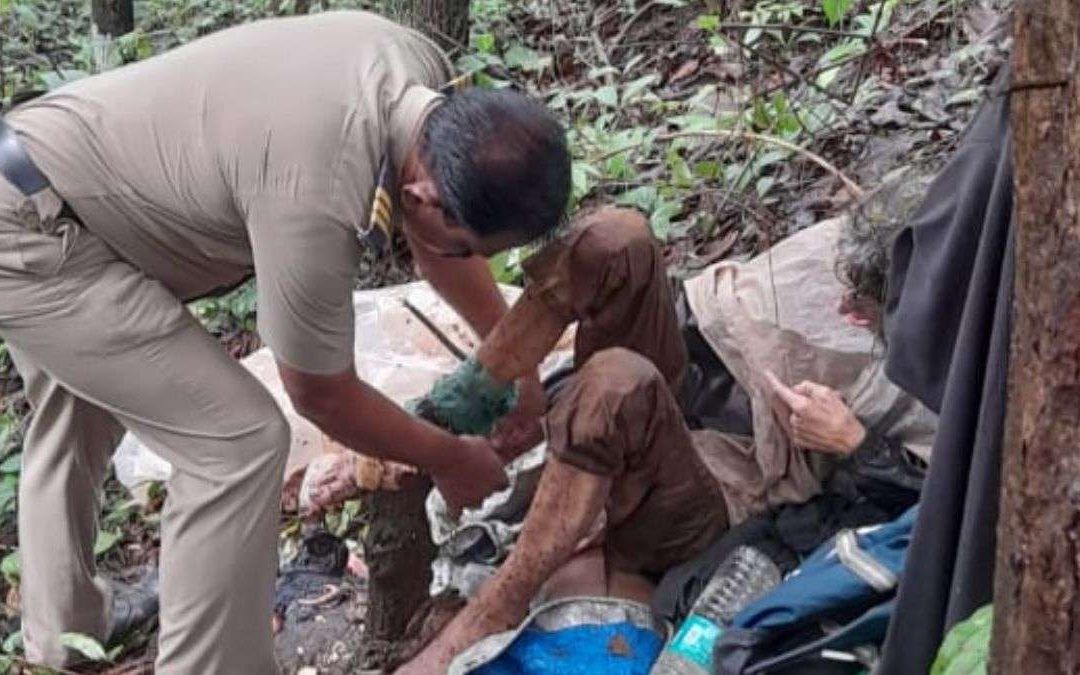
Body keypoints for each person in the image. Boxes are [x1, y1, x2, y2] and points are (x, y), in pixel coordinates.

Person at [0, 10, 568, 673]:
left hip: (48, 181)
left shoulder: (413, 78)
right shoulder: (322, 188)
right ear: (425, 193)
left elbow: (438, 242)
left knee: (75, 408)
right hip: (36, 236)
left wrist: (515, 361)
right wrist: (450, 456)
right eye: (473, 243)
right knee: (236, 442)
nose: (468, 255)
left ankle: (61, 636)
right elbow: (321, 392)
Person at [392, 192, 936, 672]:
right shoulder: (862, 246)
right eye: (848, 288)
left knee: (616, 384)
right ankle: (456, 408)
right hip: (694, 395)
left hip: (734, 489)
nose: (842, 308)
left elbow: (925, 518)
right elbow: (708, 311)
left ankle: (496, 607)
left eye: (862, 305)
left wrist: (853, 443)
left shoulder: (959, 361)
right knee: (614, 238)